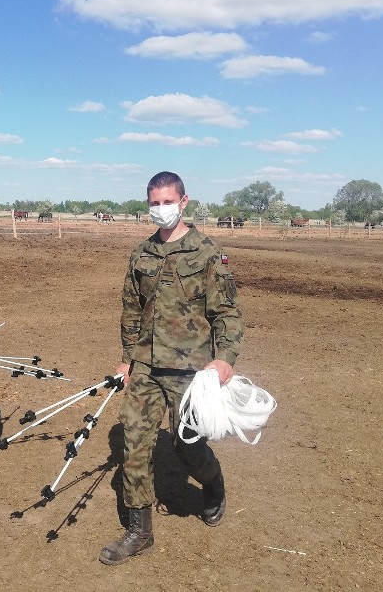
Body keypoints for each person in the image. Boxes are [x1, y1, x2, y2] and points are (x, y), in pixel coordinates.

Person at [99, 171, 244, 565]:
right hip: (146, 366)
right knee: (134, 442)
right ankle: (139, 531)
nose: (159, 209)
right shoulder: (141, 254)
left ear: (183, 202)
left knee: (188, 446)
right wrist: (127, 357)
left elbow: (227, 313)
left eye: (167, 201)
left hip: (191, 369)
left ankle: (212, 483)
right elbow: (131, 309)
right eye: (153, 202)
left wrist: (224, 359)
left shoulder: (208, 253)